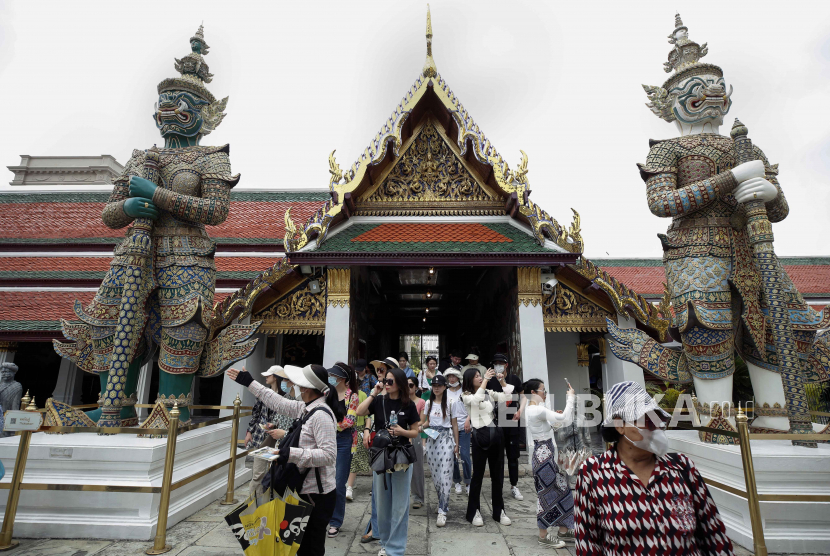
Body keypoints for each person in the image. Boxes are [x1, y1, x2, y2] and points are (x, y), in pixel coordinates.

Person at [574, 381, 735, 555]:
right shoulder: (594, 472)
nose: (656, 427)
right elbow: (587, 543)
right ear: (620, 425)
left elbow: (714, 534)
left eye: (657, 420)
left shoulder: (681, 467)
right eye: (647, 420)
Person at [227, 364, 342, 556]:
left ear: (307, 388)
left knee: (311, 549)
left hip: (316, 495)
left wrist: (291, 453)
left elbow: (329, 455)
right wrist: (249, 382)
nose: (295, 386)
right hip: (301, 489)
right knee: (299, 546)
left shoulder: (321, 415)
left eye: (298, 383)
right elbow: (277, 402)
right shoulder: (305, 408)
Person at [356, 367, 420, 556]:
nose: (387, 384)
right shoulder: (378, 400)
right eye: (386, 381)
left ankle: (396, 549)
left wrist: (402, 432)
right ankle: (385, 542)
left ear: (400, 384)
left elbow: (416, 431)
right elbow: (359, 412)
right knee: (382, 504)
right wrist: (374, 391)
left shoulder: (408, 405)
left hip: (401, 458)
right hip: (381, 456)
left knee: (400, 505)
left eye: (391, 381)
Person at [523, 378, 576, 548]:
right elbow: (565, 417)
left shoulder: (536, 409)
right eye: (542, 390)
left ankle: (564, 530)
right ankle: (543, 535)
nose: (544, 393)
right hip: (543, 458)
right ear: (533, 393)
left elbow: (550, 426)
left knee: (564, 491)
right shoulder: (536, 410)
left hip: (547, 455)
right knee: (547, 495)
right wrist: (570, 397)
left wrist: (555, 421)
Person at [461, 367, 513, 527]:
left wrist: (502, 380)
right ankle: (474, 511)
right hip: (479, 437)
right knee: (478, 476)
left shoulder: (489, 392)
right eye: (477, 376)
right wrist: (485, 380)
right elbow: (475, 401)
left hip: (495, 434)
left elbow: (507, 397)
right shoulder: (466, 396)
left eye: (480, 376)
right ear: (470, 379)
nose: (480, 378)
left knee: (497, 476)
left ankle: (499, 511)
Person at [418, 374, 459, 527]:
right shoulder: (429, 403)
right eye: (434, 385)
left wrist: (457, 445)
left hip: (446, 439)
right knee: (435, 475)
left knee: (445, 474)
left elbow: (454, 424)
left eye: (439, 385)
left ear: (444, 387)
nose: (436, 388)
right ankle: (441, 500)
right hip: (432, 440)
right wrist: (421, 427)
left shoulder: (451, 402)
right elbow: (428, 421)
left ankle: (443, 510)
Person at [485, 353, 525, 502]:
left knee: (513, 456)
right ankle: (498, 485)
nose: (498, 366)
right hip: (496, 422)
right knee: (497, 457)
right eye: (495, 364)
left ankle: (514, 485)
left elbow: (523, 396)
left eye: (501, 363)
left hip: (512, 421)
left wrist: (520, 410)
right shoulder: (490, 381)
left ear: (506, 365)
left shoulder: (514, 379)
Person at [327, 362, 360, 538]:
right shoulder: (326, 394)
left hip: (343, 440)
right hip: (326, 439)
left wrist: (329, 426)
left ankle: (335, 520)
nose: (331, 378)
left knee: (339, 483)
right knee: (324, 480)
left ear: (343, 379)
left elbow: (349, 421)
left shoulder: (352, 397)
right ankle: (324, 515)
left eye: (334, 376)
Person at [245, 366, 283, 498]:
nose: (266, 377)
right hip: (262, 437)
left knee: (277, 472)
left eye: (269, 375)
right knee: (258, 472)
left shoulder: (286, 396)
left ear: (276, 377)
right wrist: (249, 431)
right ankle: (254, 502)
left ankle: (270, 501)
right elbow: (255, 413)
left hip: (279, 438)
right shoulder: (263, 393)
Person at [444, 367, 471, 495]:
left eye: (453, 376)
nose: (451, 378)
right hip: (450, 427)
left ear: (458, 377)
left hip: (464, 426)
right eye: (449, 376)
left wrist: (468, 420)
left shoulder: (465, 391)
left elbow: (472, 407)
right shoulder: (445, 392)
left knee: (465, 455)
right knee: (453, 456)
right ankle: (457, 481)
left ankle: (468, 482)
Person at [346, 386, 372, 502]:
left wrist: (366, 429)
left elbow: (367, 416)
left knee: (355, 458)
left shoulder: (362, 395)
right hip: (343, 431)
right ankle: (349, 484)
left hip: (358, 430)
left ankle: (349, 488)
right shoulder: (340, 395)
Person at [407, 375, 426, 510]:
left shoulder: (421, 402)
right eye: (406, 385)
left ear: (416, 387)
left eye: (411, 385)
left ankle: (418, 497)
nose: (408, 388)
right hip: (402, 433)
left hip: (415, 434)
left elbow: (422, 421)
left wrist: (410, 426)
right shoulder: (401, 401)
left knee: (417, 467)